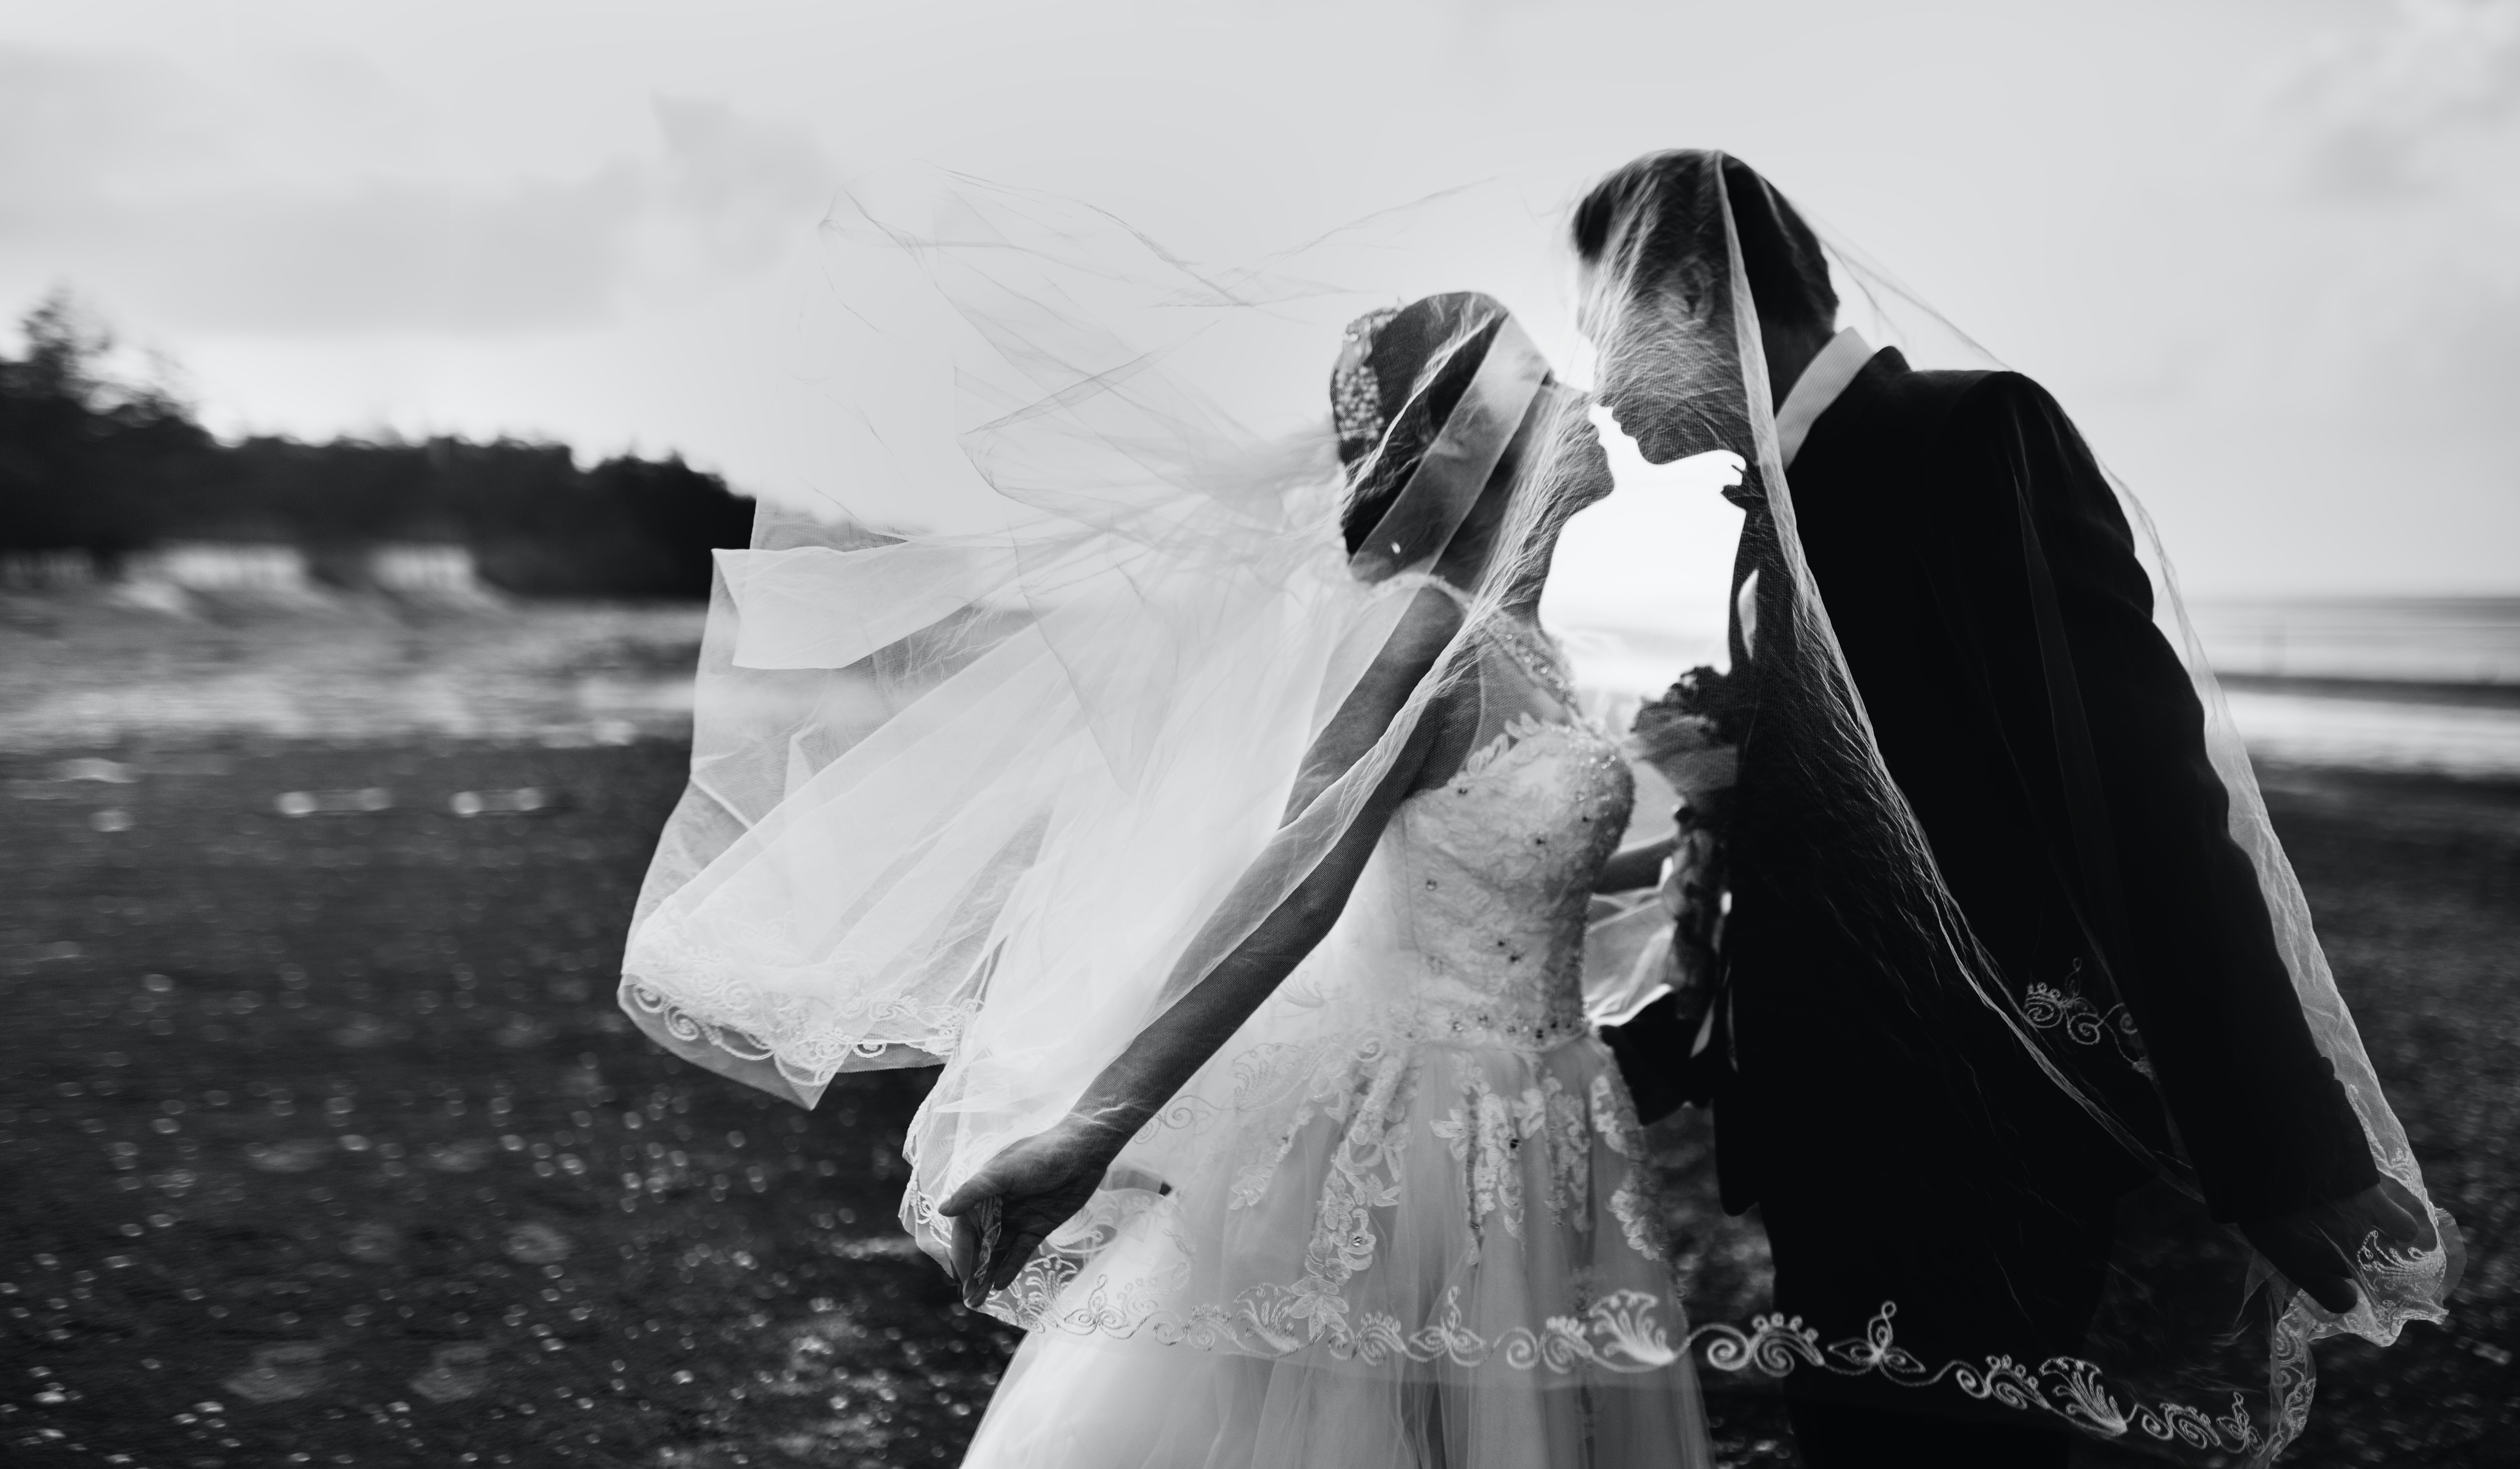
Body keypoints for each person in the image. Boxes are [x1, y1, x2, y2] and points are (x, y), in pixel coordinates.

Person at [622, 218, 1714, 1466]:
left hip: (1548, 1109)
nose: (1580, 402)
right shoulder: (1423, 638)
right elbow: (1294, 889)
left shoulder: (1536, 651)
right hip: (1419, 1126)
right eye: (1543, 383)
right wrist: (1099, 1123)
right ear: (1481, 441)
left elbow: (1502, 874)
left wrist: (1703, 833)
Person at [1573, 149, 2452, 1467]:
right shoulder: (1776, 518)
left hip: (1982, 1161)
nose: (1603, 386)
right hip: (1840, 1153)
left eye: (1606, 329)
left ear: (1695, 293)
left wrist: (2284, 1153)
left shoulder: (1969, 439)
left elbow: (2147, 804)